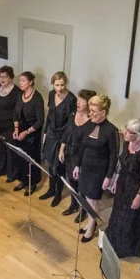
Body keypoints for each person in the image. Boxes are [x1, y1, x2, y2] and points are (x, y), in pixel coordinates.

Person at [72, 95, 119, 241]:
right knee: (86, 197)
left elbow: (114, 155)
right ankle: (90, 222)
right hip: (85, 167)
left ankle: (91, 227)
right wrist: (77, 165)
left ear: (103, 113)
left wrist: (109, 176)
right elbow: (81, 147)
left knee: (92, 199)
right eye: (90, 110)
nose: (90, 113)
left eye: (93, 111)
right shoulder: (89, 125)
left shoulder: (111, 131)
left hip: (99, 171)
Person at [105, 119, 140, 259]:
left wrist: (139, 196)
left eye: (129, 131)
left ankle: (124, 248)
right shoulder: (127, 143)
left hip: (135, 189)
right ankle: (112, 243)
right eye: (125, 129)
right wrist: (115, 180)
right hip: (122, 184)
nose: (125, 133)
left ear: (138, 135)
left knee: (129, 218)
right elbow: (121, 164)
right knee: (117, 213)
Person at [38, 71, 75, 206]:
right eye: (57, 85)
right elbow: (49, 115)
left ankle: (58, 193)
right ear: (52, 84)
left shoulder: (71, 99)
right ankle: (51, 189)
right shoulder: (51, 94)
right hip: (51, 134)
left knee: (59, 167)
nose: (60, 88)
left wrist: (64, 142)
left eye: (62, 85)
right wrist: (45, 132)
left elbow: (71, 125)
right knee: (49, 163)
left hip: (63, 136)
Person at [59, 89, 97, 218]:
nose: (78, 103)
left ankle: (84, 209)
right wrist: (61, 148)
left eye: (82, 101)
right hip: (70, 153)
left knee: (82, 184)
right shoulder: (73, 113)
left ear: (89, 104)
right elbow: (66, 133)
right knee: (72, 182)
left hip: (82, 157)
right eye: (78, 100)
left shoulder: (92, 122)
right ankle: (73, 204)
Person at [10, 71, 44, 195]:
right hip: (20, 130)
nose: (21, 83)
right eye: (20, 80)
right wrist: (16, 128)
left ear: (30, 82)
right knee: (20, 157)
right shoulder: (20, 95)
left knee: (31, 159)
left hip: (32, 133)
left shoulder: (37, 98)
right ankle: (23, 180)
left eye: (23, 80)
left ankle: (32, 183)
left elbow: (40, 121)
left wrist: (26, 132)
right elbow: (15, 113)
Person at [0, 66, 20, 180]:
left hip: (9, 126)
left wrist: (16, 127)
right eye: (0, 76)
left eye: (5, 77)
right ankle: (1, 170)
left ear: (11, 78)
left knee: (10, 150)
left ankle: (12, 174)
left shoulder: (16, 92)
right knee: (0, 148)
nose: (2, 79)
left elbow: (17, 112)